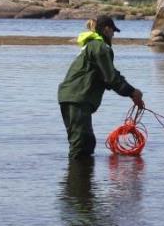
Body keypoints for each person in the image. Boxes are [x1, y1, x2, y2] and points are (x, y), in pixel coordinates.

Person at [57, 15, 146, 160]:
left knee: (87, 142)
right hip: (78, 98)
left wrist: (131, 94)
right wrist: (132, 92)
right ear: (106, 29)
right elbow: (111, 78)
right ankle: (76, 180)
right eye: (113, 32)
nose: (113, 35)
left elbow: (109, 75)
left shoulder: (94, 46)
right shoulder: (100, 47)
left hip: (73, 97)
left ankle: (85, 180)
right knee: (80, 144)